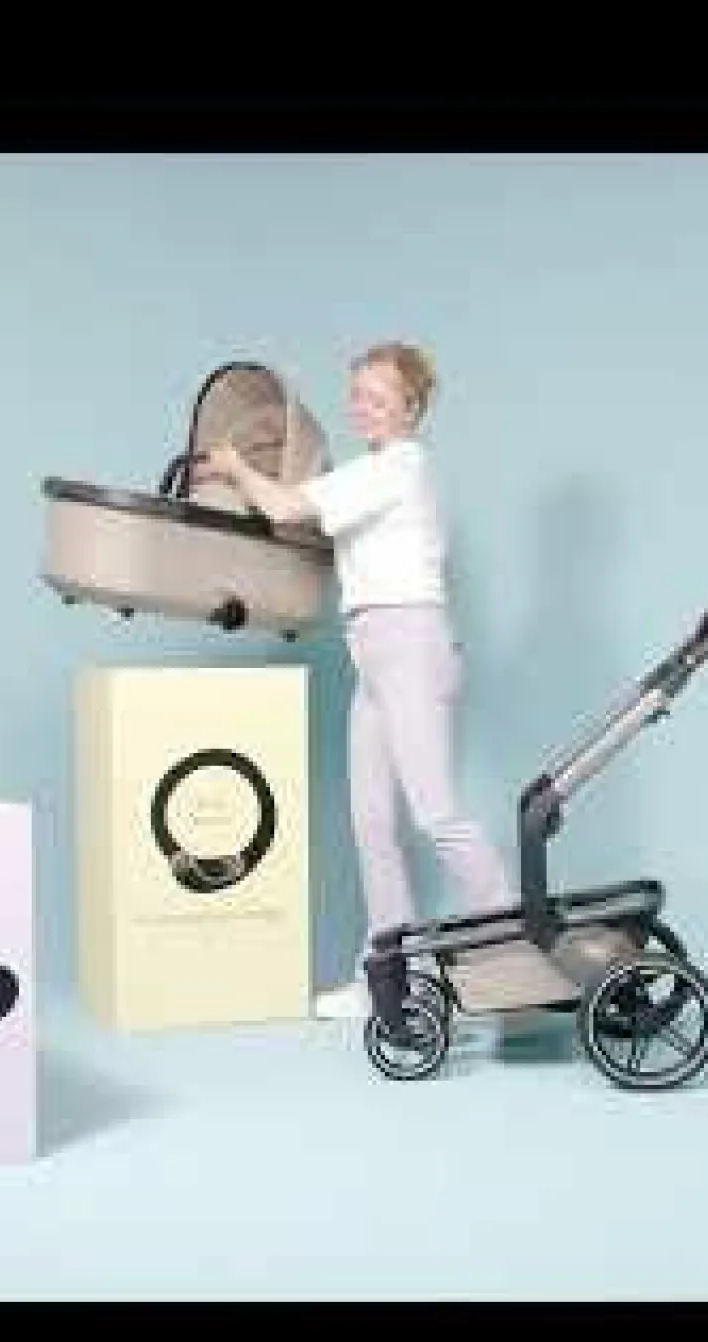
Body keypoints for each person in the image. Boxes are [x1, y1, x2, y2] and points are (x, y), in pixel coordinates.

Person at [204, 341, 516, 1019]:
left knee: (435, 813)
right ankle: (387, 983)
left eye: (378, 397)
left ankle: (512, 952)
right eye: (357, 394)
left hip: (410, 644)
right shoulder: (367, 475)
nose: (362, 407)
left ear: (411, 407)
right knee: (372, 824)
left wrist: (235, 466)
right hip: (372, 651)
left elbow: (285, 509)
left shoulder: (401, 466)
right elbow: (305, 519)